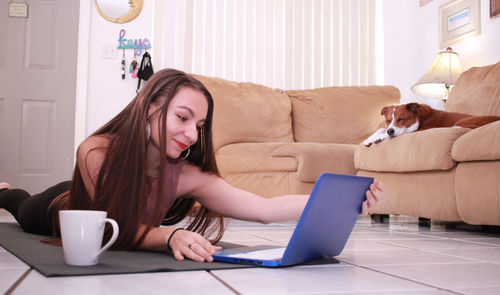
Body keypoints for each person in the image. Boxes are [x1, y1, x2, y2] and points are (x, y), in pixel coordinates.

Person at [0, 69, 384, 263]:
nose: (191, 134)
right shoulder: (95, 151)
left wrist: (342, 200)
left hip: (117, 217)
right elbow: (113, 226)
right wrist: (169, 236)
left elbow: (264, 209)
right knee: (23, 207)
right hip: (63, 205)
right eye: (182, 118)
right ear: (150, 107)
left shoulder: (186, 175)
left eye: (198, 126)